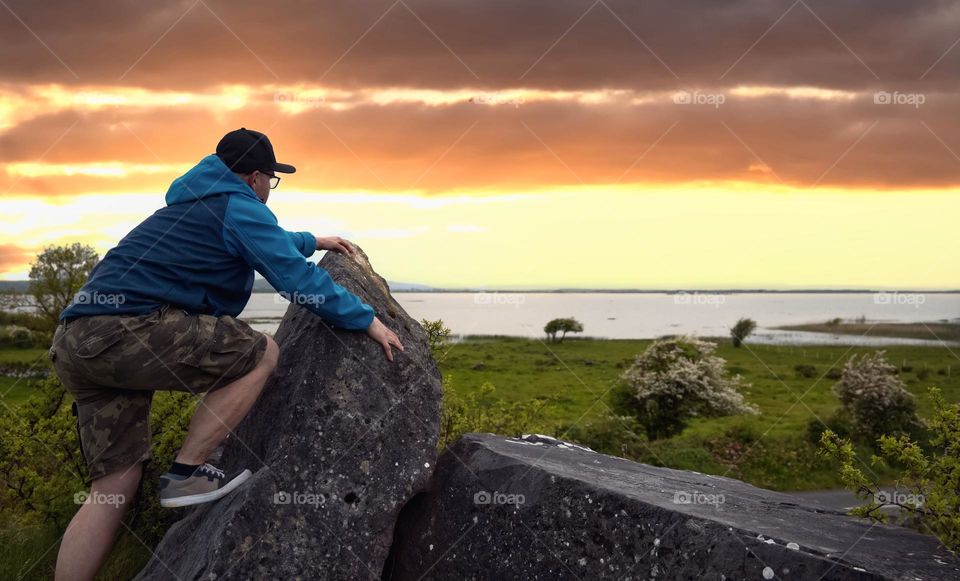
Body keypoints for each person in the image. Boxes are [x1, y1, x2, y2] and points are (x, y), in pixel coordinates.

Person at [48, 128, 404, 581]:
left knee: (113, 488)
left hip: (76, 342)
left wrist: (313, 239)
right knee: (259, 353)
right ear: (256, 177)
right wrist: (368, 321)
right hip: (122, 332)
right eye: (271, 180)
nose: (269, 190)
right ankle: (187, 473)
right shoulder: (239, 205)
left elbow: (263, 241)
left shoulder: (195, 202)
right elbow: (295, 279)